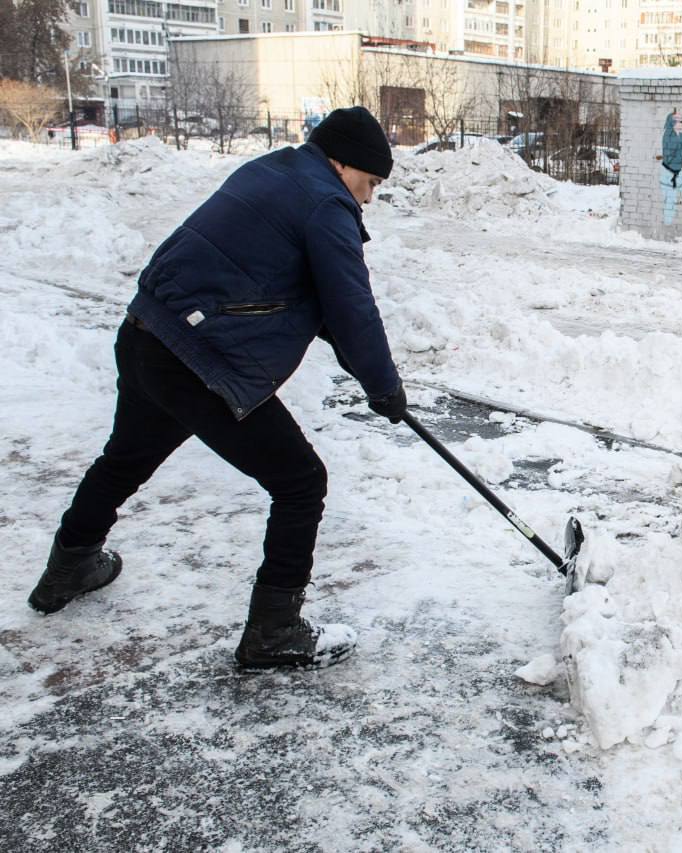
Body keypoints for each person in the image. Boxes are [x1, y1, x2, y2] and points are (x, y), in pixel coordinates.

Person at [27, 106, 407, 671]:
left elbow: (289, 284)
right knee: (301, 482)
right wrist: (384, 386)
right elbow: (351, 305)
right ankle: (274, 630)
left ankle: (69, 566)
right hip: (200, 359)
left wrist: (365, 369)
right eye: (370, 182)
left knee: (127, 456)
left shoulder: (273, 170)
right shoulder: (327, 203)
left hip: (147, 332)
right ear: (342, 162)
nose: (369, 198)